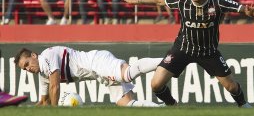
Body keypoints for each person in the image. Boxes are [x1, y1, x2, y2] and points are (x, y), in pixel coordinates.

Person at [122, 0, 254, 107]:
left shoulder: (217, 1)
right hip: (182, 48)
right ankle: (171, 105)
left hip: (208, 52)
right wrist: (137, 1)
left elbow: (240, 8)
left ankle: (244, 105)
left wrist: (248, 12)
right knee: (156, 84)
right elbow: (160, 0)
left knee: (231, 87)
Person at [14, 46, 163, 107]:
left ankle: (168, 62)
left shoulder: (46, 56)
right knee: (125, 103)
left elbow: (55, 86)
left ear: (34, 55)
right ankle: (162, 109)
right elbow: (44, 100)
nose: (28, 69)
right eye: (24, 69)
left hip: (97, 62)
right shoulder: (43, 73)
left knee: (127, 74)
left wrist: (54, 111)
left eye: (27, 63)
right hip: (98, 74)